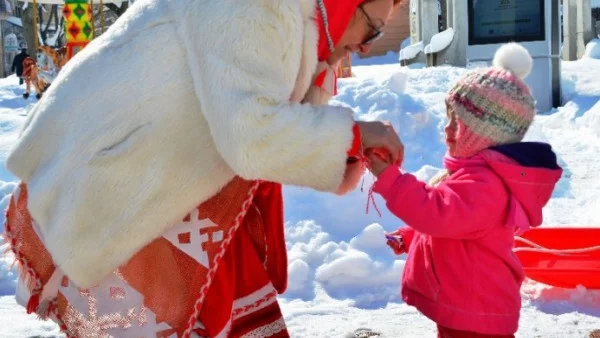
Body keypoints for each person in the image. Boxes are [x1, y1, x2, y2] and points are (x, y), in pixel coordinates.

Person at [4, 0, 404, 337]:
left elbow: (267, 111)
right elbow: (252, 135)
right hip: (123, 183)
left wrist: (345, 138)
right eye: (371, 29)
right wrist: (354, 136)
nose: (367, 48)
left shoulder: (294, 19)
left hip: (173, 190)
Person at [367, 43, 563, 338]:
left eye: (457, 124)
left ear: (486, 133)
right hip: (466, 306)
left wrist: (391, 179)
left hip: (478, 311)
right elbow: (453, 220)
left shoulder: (486, 184)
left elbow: (438, 213)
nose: (446, 130)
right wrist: (411, 236)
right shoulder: (473, 175)